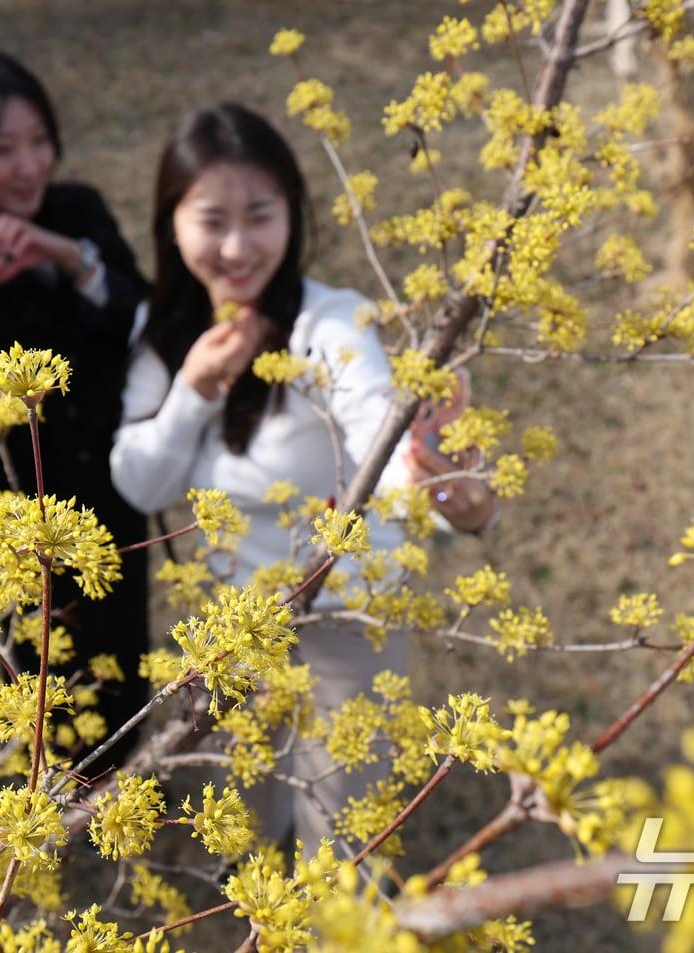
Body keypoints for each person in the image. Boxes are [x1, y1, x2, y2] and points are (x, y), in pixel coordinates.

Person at [110, 103, 494, 853]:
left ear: (293, 214)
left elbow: (375, 425)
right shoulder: (159, 332)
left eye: (261, 215)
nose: (238, 245)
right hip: (237, 623)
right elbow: (140, 486)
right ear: (170, 222)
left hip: (348, 617)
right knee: (246, 807)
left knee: (341, 835)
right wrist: (193, 388)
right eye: (211, 219)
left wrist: (442, 491)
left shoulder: (332, 323)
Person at [0, 48, 151, 765]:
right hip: (19, 524)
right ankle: (56, 789)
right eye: (1, 151)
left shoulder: (78, 213)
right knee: (42, 665)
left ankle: (126, 771)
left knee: (123, 644)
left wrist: (70, 257)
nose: (28, 167)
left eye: (38, 141)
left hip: (111, 493)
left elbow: (138, 313)